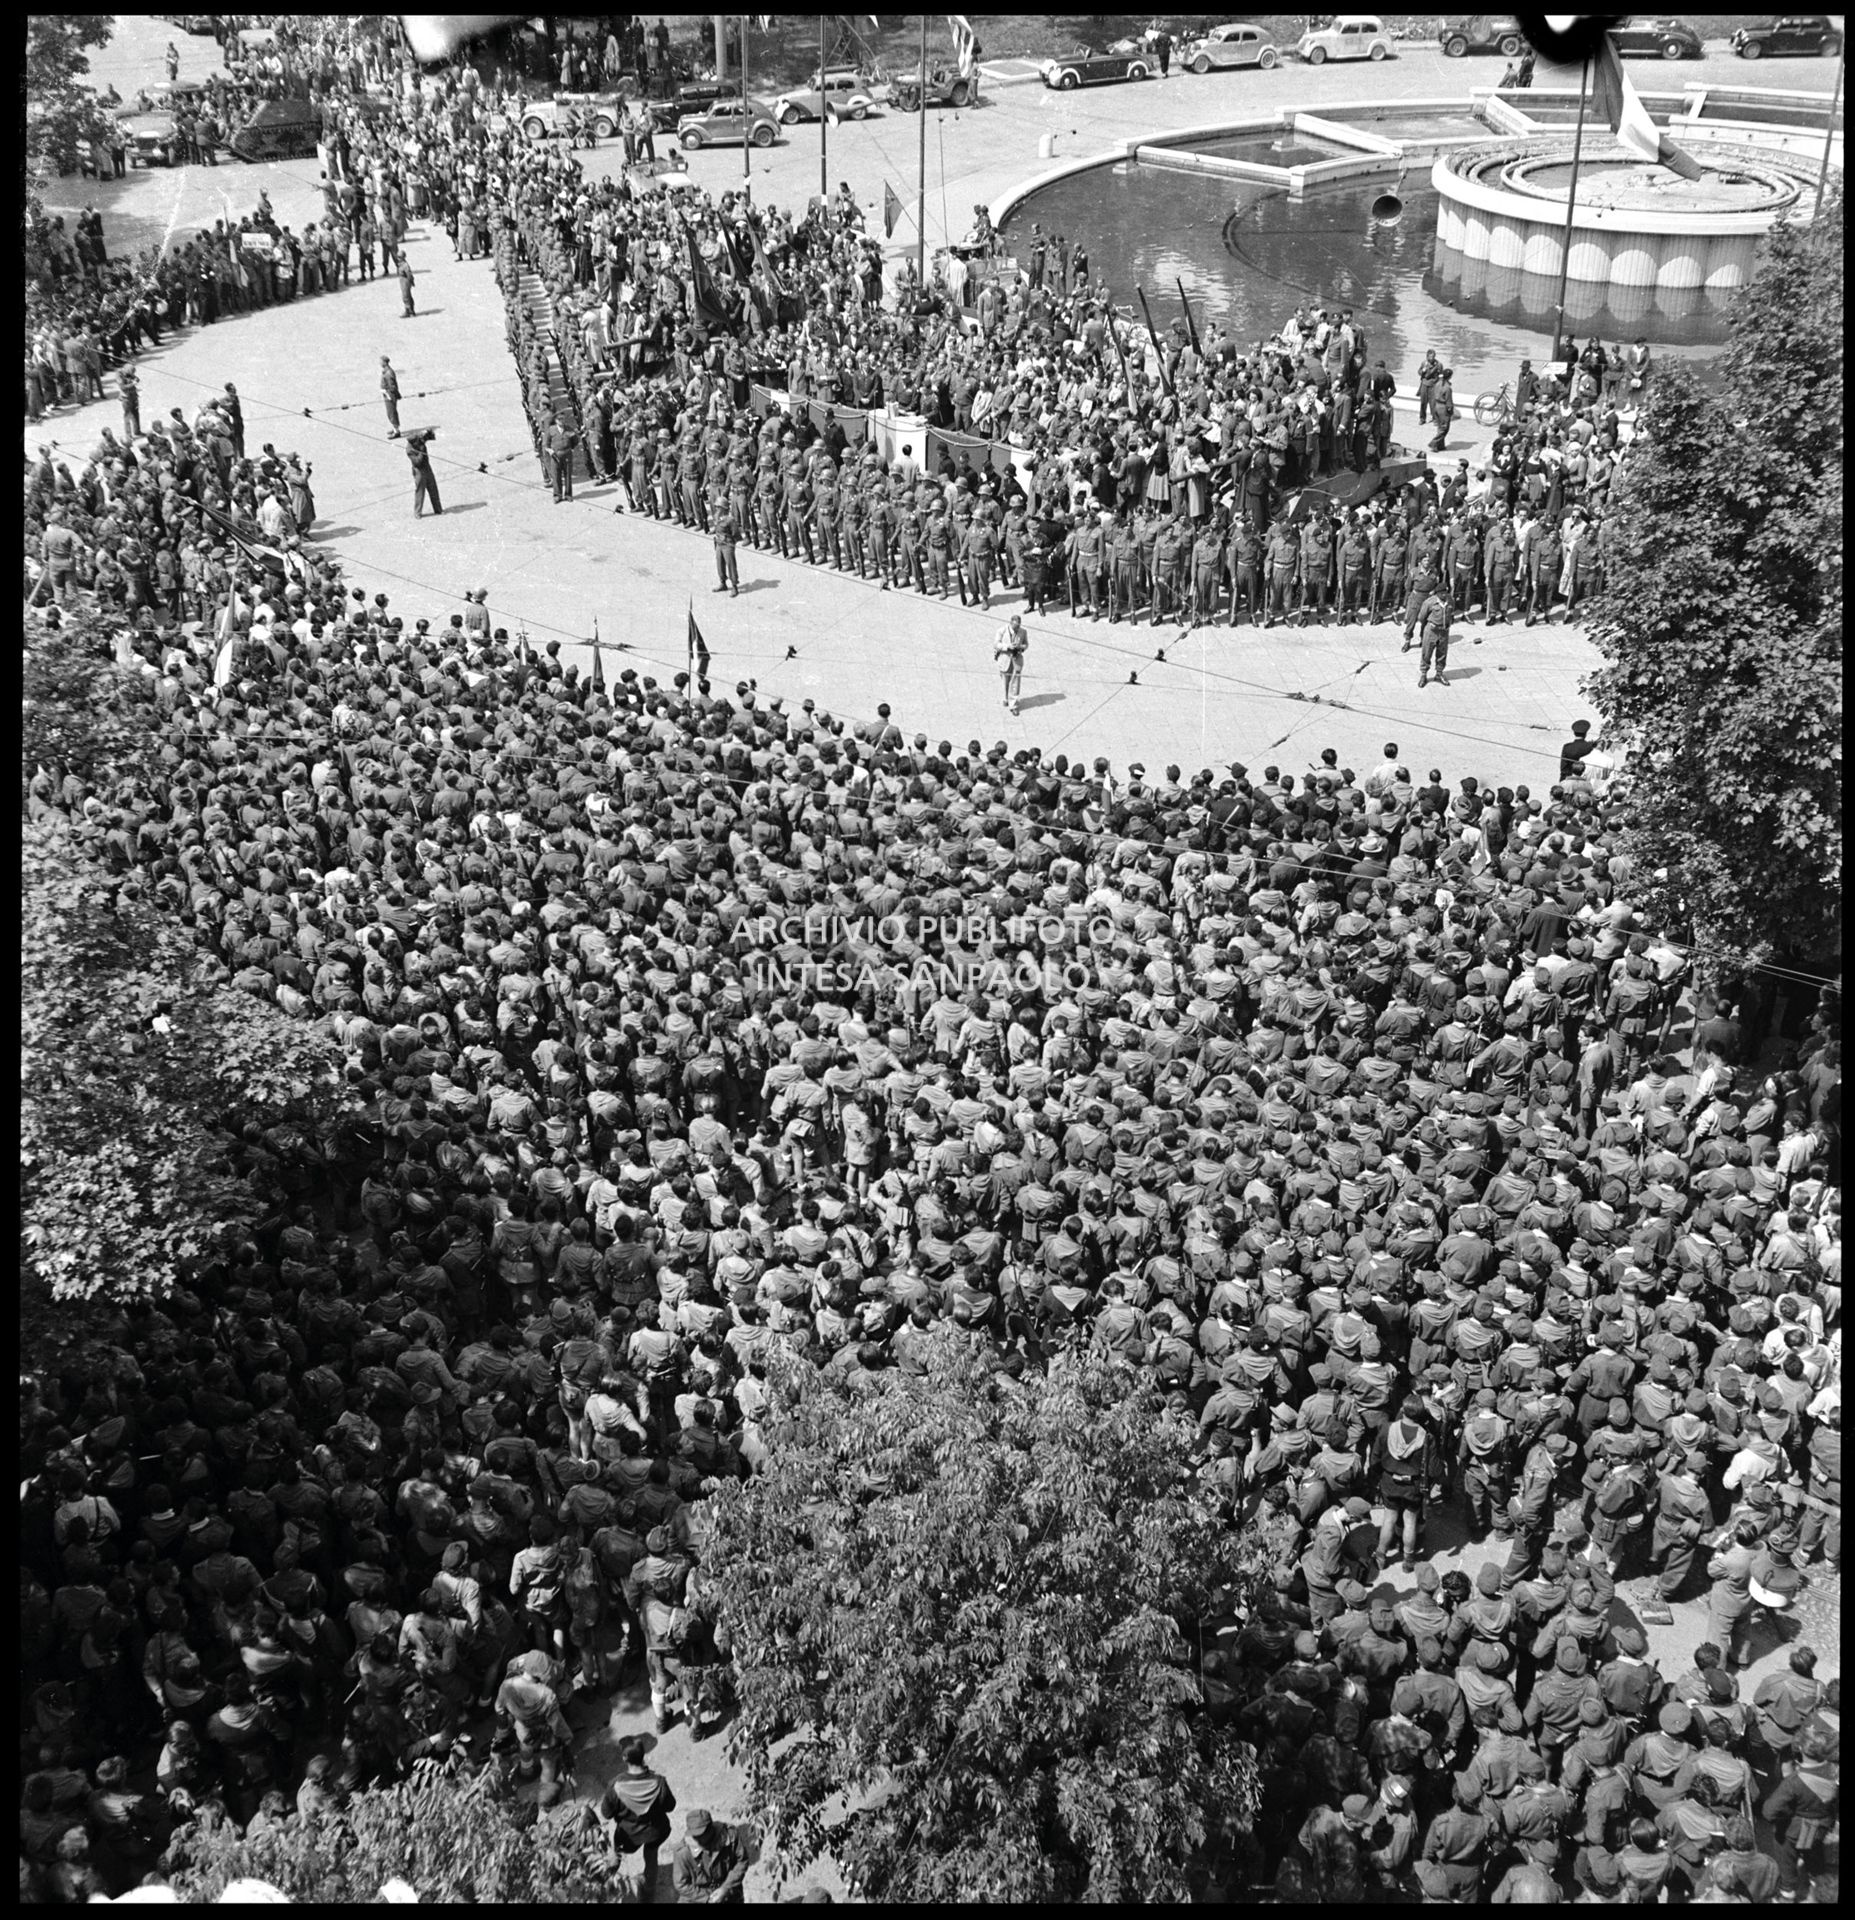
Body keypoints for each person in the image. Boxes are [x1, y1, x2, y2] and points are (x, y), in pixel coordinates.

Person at [598, 1733, 677, 1897]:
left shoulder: (616, 1786)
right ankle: (649, 1894)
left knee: (615, 1857)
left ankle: (607, 1887)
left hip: (627, 1835)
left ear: (625, 1758)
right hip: (654, 1831)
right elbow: (670, 1806)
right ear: (643, 1756)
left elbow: (606, 1814)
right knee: (651, 1858)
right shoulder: (659, 1782)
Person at [671, 1809, 747, 1904]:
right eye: (694, 1835)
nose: (698, 1839)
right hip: (697, 1896)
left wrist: (725, 1888)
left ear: (711, 1828)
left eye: (701, 1834)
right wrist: (707, 1898)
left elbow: (742, 1861)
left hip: (728, 1888)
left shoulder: (729, 1836)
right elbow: (681, 1884)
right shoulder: (683, 1852)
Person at [995, 611, 1027, 716]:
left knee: (1015, 683)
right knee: (1005, 680)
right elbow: (996, 644)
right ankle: (1006, 698)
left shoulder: (1023, 632)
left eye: (1018, 626)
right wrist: (1007, 646)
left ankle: (1013, 705)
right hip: (1004, 659)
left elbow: (1026, 644)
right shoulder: (1002, 631)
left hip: (1016, 660)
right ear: (1010, 623)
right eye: (1015, 627)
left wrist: (1020, 647)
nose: (1017, 629)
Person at [405, 427, 442, 517]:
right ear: (413, 443)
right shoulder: (409, 450)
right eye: (418, 441)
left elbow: (431, 438)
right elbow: (417, 462)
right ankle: (417, 513)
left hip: (427, 468)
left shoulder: (419, 440)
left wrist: (429, 433)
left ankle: (438, 509)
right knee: (420, 491)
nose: (420, 442)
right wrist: (421, 451)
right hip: (419, 471)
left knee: (433, 489)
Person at [381, 355, 401, 438]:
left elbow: (392, 387)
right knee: (390, 412)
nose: (380, 363)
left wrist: (387, 393)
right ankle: (394, 428)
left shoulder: (388, 373)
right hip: (387, 394)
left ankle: (396, 431)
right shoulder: (386, 371)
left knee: (391, 412)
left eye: (381, 361)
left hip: (389, 395)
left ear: (385, 362)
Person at [399, 253, 416, 319]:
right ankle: (411, 311)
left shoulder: (405, 265)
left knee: (405, 296)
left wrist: (411, 281)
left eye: (400, 257)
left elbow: (409, 274)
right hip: (403, 280)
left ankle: (408, 311)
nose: (398, 258)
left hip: (405, 281)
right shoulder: (401, 264)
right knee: (408, 296)